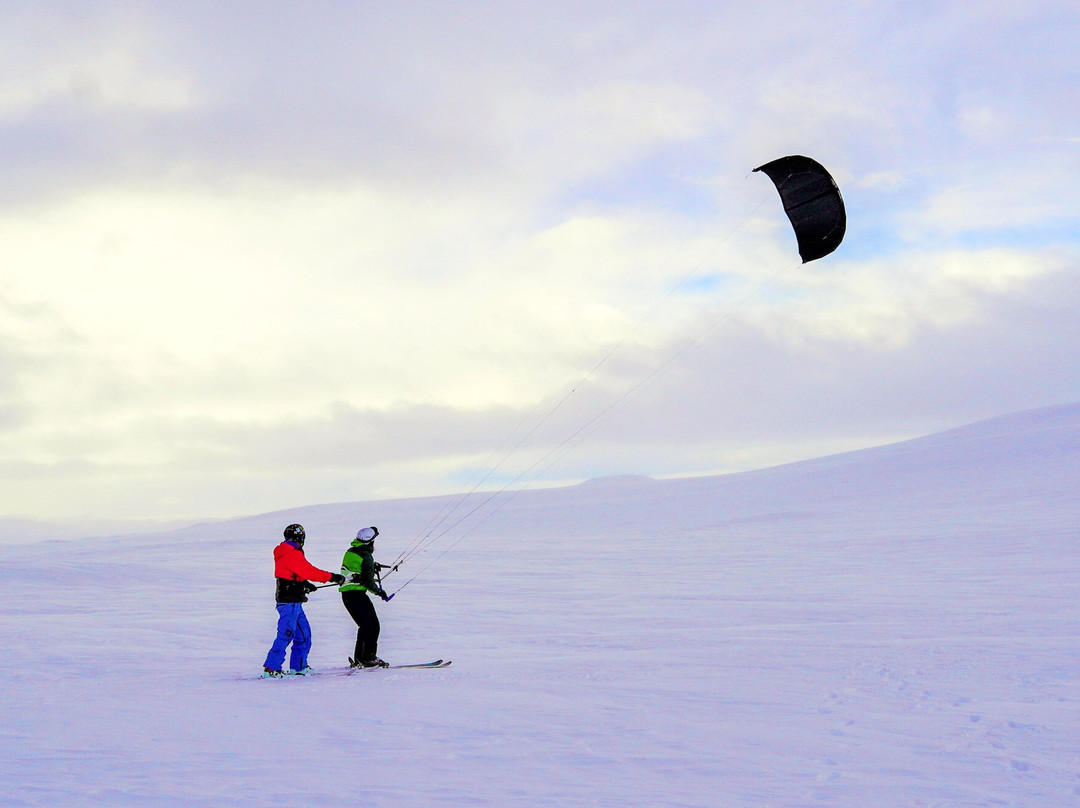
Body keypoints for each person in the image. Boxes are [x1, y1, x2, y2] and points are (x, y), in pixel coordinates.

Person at [262, 523, 345, 678]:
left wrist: (304, 584)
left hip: (294, 601)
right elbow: (309, 571)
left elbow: (292, 572)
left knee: (303, 634)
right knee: (286, 634)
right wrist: (333, 577)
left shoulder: (289, 551)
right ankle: (271, 668)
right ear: (301, 538)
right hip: (289, 602)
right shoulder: (290, 552)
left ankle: (298, 667)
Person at [339, 526, 392, 667]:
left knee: (364, 626)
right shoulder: (366, 555)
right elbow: (368, 581)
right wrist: (379, 592)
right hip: (357, 594)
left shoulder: (350, 551)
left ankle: (360, 659)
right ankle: (368, 658)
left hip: (347, 595)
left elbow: (356, 569)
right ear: (371, 542)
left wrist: (372, 566)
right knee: (373, 626)